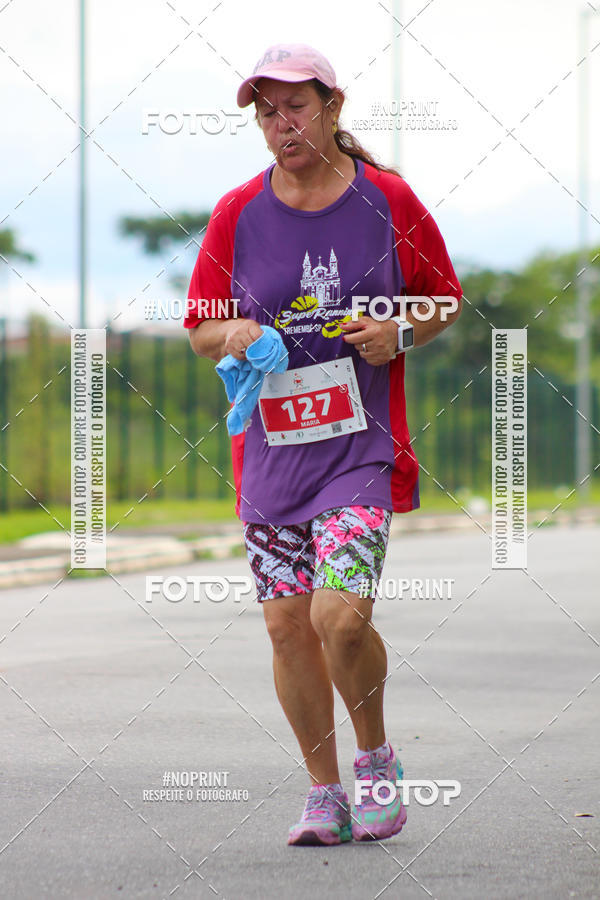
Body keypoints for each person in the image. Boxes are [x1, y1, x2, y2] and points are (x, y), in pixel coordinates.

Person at [184, 43, 462, 846]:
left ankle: (375, 761)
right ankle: (323, 793)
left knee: (340, 617)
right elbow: (200, 327)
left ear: (333, 107)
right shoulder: (238, 211)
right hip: (271, 457)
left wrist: (397, 331)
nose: (282, 124)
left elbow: (443, 299)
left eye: (295, 106)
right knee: (285, 627)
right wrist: (231, 330)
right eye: (267, 112)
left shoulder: (388, 199)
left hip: (358, 450)